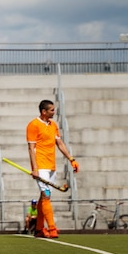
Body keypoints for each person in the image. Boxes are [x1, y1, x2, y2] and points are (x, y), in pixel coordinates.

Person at [26, 99, 79, 239]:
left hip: (51, 166)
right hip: (41, 166)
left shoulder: (53, 125)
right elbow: (31, 149)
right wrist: (35, 169)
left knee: (44, 197)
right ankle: (52, 228)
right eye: (52, 110)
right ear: (44, 112)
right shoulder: (33, 125)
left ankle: (38, 229)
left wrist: (71, 159)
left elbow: (59, 143)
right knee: (46, 196)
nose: (54, 112)